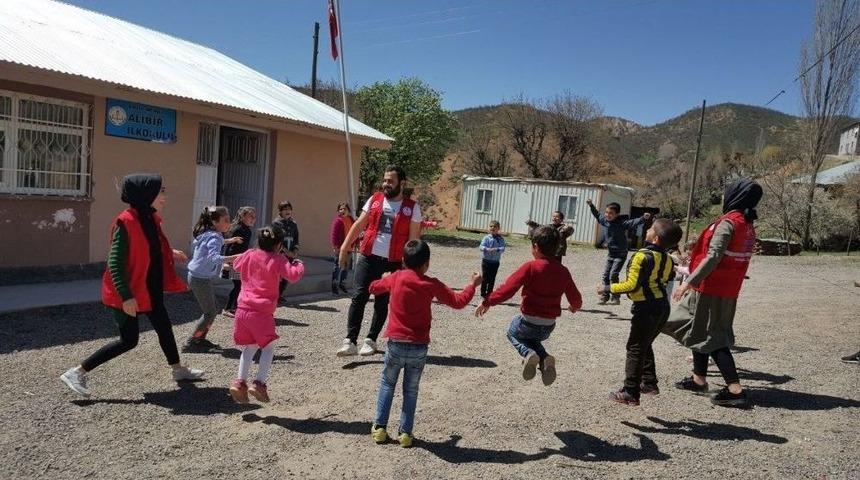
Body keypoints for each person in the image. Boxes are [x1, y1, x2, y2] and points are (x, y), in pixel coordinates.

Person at [60, 174, 203, 397]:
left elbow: (148, 247)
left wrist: (169, 253)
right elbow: (114, 262)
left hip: (149, 289)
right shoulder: (125, 222)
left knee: (164, 327)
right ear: (147, 195)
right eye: (161, 191)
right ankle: (77, 372)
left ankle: (178, 370)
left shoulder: (148, 218)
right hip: (129, 292)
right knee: (129, 341)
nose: (164, 196)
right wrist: (126, 296)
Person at [368, 240, 481, 447]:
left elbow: (373, 288)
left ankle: (380, 428)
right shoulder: (431, 284)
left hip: (395, 342)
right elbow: (458, 302)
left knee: (387, 384)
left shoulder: (396, 278)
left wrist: (383, 278)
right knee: (411, 390)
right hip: (419, 346)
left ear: (403, 260)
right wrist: (472, 286)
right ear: (426, 264)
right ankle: (405, 434)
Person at [662, 178, 763, 407]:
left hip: (712, 288)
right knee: (699, 330)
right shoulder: (746, 224)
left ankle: (736, 390)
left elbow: (714, 255)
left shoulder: (730, 223)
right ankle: (699, 380)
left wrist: (688, 282)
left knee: (714, 336)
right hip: (724, 288)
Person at [476, 226, 583, 386]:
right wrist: (574, 306)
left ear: (535, 247)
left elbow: (508, 289)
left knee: (512, 332)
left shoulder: (531, 267)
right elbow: (576, 297)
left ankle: (528, 353)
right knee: (532, 339)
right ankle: (544, 358)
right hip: (548, 326)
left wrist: (487, 301)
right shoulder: (563, 271)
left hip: (527, 322)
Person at [336, 165, 423, 357]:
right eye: (384, 180)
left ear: (402, 183)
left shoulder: (412, 208)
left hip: (392, 262)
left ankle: (371, 340)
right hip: (368, 256)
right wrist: (344, 247)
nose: (386, 184)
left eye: (390, 181)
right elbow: (359, 224)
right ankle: (350, 341)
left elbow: (413, 241)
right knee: (358, 296)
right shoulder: (375, 200)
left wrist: (410, 269)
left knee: (381, 302)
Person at [598, 218, 682, 406]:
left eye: (651, 229)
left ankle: (630, 391)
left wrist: (608, 288)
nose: (647, 230)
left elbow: (631, 285)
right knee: (645, 343)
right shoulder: (668, 258)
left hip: (647, 309)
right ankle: (649, 383)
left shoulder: (641, 256)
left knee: (635, 348)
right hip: (663, 307)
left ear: (656, 238)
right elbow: (670, 276)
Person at [229, 226, 305, 403]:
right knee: (268, 348)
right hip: (261, 313)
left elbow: (236, 265)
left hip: (242, 310)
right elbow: (293, 276)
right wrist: (298, 264)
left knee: (249, 348)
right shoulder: (278, 259)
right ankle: (259, 383)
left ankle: (240, 382)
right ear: (279, 245)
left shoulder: (249, 254)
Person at [183, 206, 241, 352]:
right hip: (200, 279)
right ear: (215, 222)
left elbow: (217, 242)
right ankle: (193, 341)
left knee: (212, 310)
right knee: (210, 312)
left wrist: (230, 240)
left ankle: (199, 338)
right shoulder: (215, 237)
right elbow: (214, 258)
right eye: (226, 220)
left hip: (198, 277)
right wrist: (237, 257)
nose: (229, 223)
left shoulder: (209, 233)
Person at [587, 199, 651, 305]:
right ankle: (605, 296)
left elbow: (633, 222)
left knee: (613, 274)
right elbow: (597, 215)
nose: (608, 215)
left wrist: (643, 218)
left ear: (617, 214)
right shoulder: (605, 221)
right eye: (607, 212)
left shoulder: (622, 223)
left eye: (611, 213)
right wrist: (591, 205)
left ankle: (616, 297)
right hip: (611, 253)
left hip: (621, 253)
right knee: (605, 275)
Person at [222, 206, 256, 317]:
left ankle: (236, 307)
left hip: (241, 262)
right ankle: (228, 308)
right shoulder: (239, 229)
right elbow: (229, 247)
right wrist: (228, 262)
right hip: (235, 262)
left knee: (240, 285)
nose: (253, 219)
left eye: (254, 217)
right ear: (242, 217)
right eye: (250, 216)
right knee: (239, 285)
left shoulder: (246, 230)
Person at [273, 201, 299, 299]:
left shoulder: (293, 224)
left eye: (289, 209)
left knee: (287, 276)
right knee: (278, 276)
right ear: (280, 211)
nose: (287, 211)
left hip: (290, 254)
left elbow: (296, 238)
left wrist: (295, 250)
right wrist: (285, 251)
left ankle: (279, 294)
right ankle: (274, 295)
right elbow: (276, 240)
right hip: (280, 254)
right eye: (285, 209)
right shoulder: (276, 223)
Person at [330, 202, 355, 295]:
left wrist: (356, 243)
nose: (342, 210)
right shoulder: (338, 220)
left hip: (349, 248)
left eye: (345, 209)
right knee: (337, 266)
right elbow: (334, 235)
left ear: (348, 210)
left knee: (346, 267)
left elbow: (354, 232)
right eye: (340, 209)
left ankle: (342, 284)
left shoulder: (351, 220)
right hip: (340, 248)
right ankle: (334, 285)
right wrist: (335, 246)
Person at [479, 220, 506, 299]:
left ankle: (490, 293)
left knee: (492, 277)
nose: (492, 228)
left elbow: (503, 248)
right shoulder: (486, 238)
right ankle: (483, 293)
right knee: (485, 277)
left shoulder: (500, 239)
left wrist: (497, 249)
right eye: (491, 226)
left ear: (498, 228)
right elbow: (481, 247)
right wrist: (487, 249)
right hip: (486, 261)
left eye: (495, 227)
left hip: (495, 262)